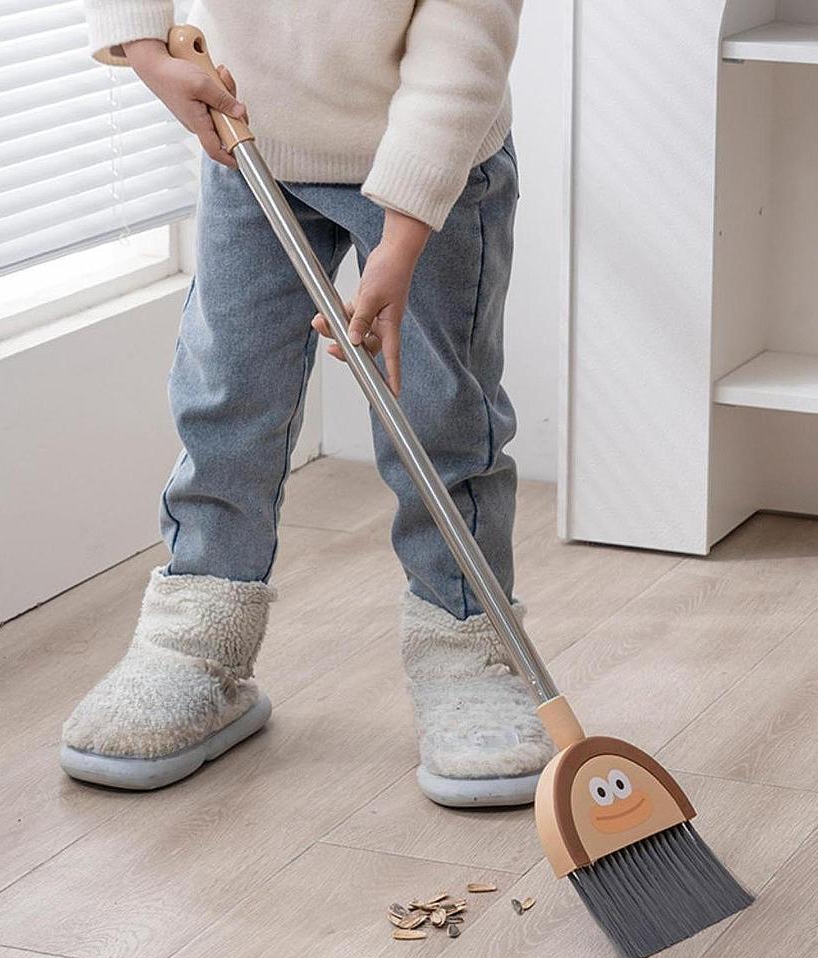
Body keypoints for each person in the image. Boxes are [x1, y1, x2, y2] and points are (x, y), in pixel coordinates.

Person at [60, 0, 554, 806]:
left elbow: (461, 48)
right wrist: (145, 47)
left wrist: (401, 241)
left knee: (437, 412)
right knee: (228, 394)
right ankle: (197, 642)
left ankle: (465, 639)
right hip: (249, 147)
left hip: (430, 164)